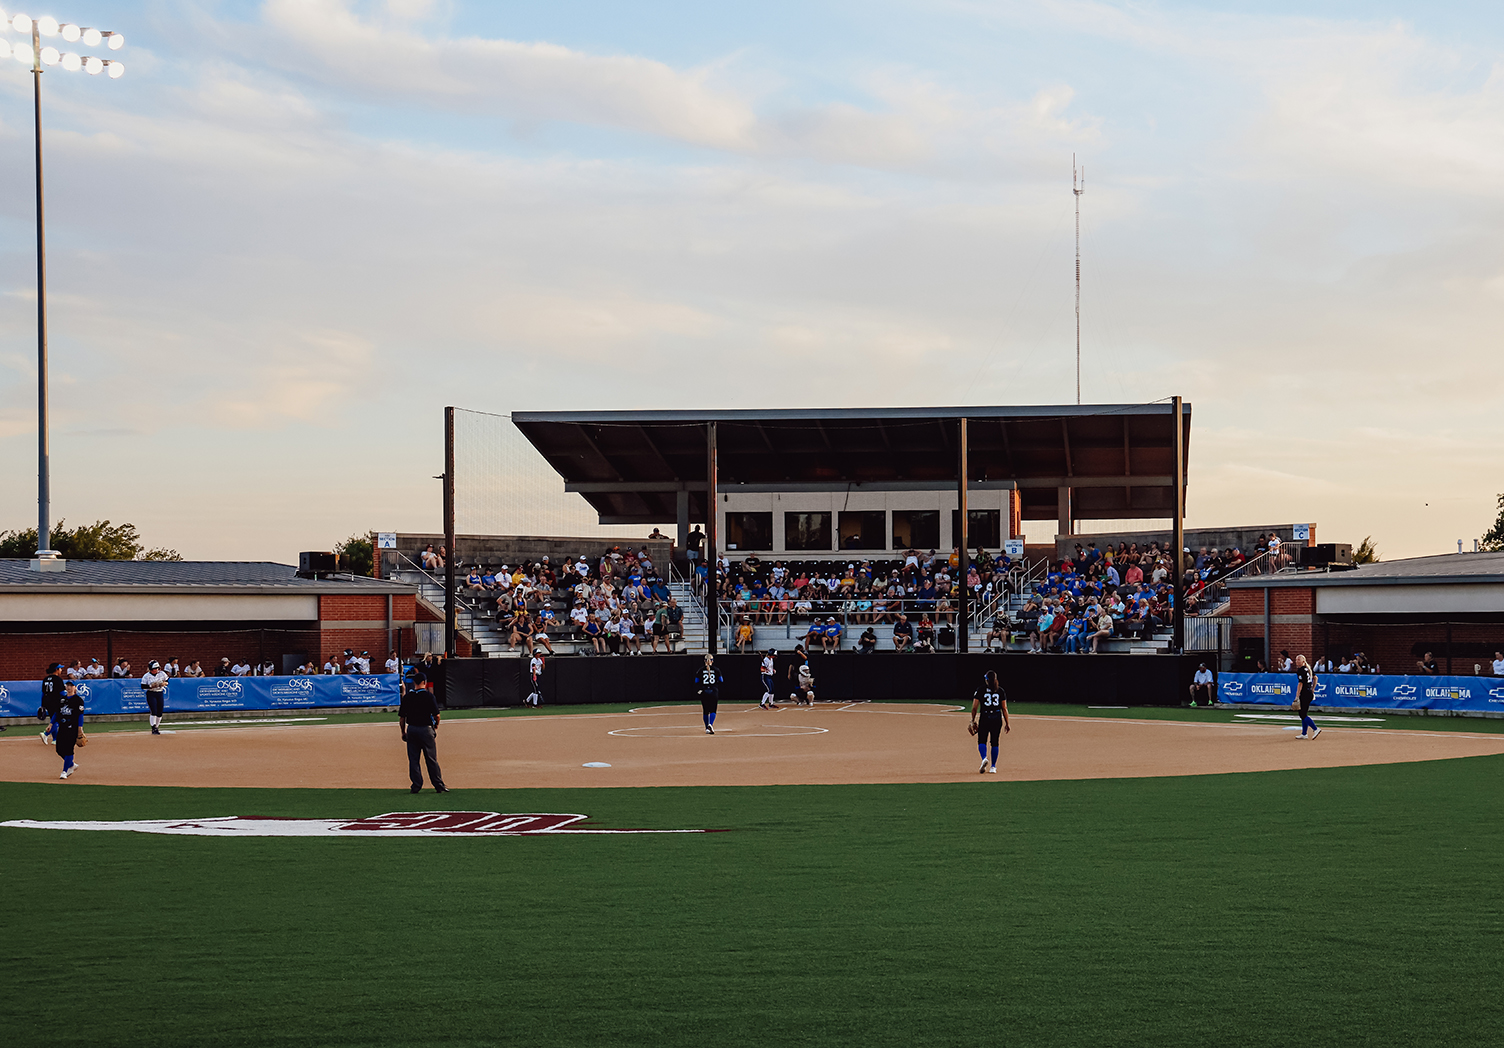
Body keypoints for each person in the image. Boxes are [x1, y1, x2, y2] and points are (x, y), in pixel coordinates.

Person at [398, 682, 448, 793]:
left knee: (414, 759)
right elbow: (437, 715)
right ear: (424, 683)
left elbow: (402, 717)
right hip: (426, 729)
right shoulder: (429, 696)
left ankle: (416, 785)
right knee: (431, 759)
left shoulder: (408, 697)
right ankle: (438, 785)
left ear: (414, 683)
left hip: (412, 729)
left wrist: (403, 731)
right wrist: (436, 725)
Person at [970, 670, 1010, 774]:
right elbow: (1004, 708)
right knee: (995, 742)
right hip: (997, 717)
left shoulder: (981, 689)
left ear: (986, 680)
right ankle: (993, 767)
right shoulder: (1000, 690)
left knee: (982, 740)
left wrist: (973, 720)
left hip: (985, 716)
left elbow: (974, 707)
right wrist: (1007, 723)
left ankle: (984, 758)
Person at [55, 680, 86, 779]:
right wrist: (51, 724)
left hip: (72, 728)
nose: (69, 687)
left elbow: (80, 715)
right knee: (59, 749)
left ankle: (64, 771)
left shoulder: (78, 700)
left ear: (75, 687)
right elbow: (57, 713)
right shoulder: (62, 699)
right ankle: (71, 764)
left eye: (71, 685)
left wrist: (80, 729)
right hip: (62, 727)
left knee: (69, 750)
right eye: (67, 685)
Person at [1294, 654, 1320, 740]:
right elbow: (1315, 678)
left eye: (1299, 660)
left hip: (1305, 693)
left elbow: (1300, 684)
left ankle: (1315, 729)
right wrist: (1312, 689)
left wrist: (1297, 696)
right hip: (1309, 693)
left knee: (1302, 714)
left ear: (1303, 661)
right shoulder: (1308, 669)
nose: (1297, 661)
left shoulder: (1301, 670)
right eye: (1296, 660)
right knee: (1303, 712)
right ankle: (1304, 733)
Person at [141, 660, 170, 735]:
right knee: (154, 710)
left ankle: (156, 727)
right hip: (151, 693)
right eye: (155, 669)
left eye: (157, 668)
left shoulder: (161, 674)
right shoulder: (147, 676)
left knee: (160, 712)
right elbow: (143, 686)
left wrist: (164, 683)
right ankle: (153, 727)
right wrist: (151, 686)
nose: (157, 670)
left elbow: (167, 680)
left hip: (159, 693)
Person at [39, 662, 64, 746]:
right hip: (56, 702)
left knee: (53, 719)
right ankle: (45, 734)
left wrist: (42, 704)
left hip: (47, 702)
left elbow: (43, 693)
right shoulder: (58, 679)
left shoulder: (45, 679)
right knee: (57, 720)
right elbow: (62, 692)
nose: (61, 670)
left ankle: (55, 739)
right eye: (60, 668)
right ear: (56, 670)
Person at [696, 655, 723, 734]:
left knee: (705, 711)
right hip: (713, 691)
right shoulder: (716, 670)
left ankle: (706, 728)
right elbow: (721, 680)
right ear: (712, 661)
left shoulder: (700, 670)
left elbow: (696, 681)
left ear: (704, 661)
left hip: (704, 691)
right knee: (713, 710)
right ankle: (710, 724)